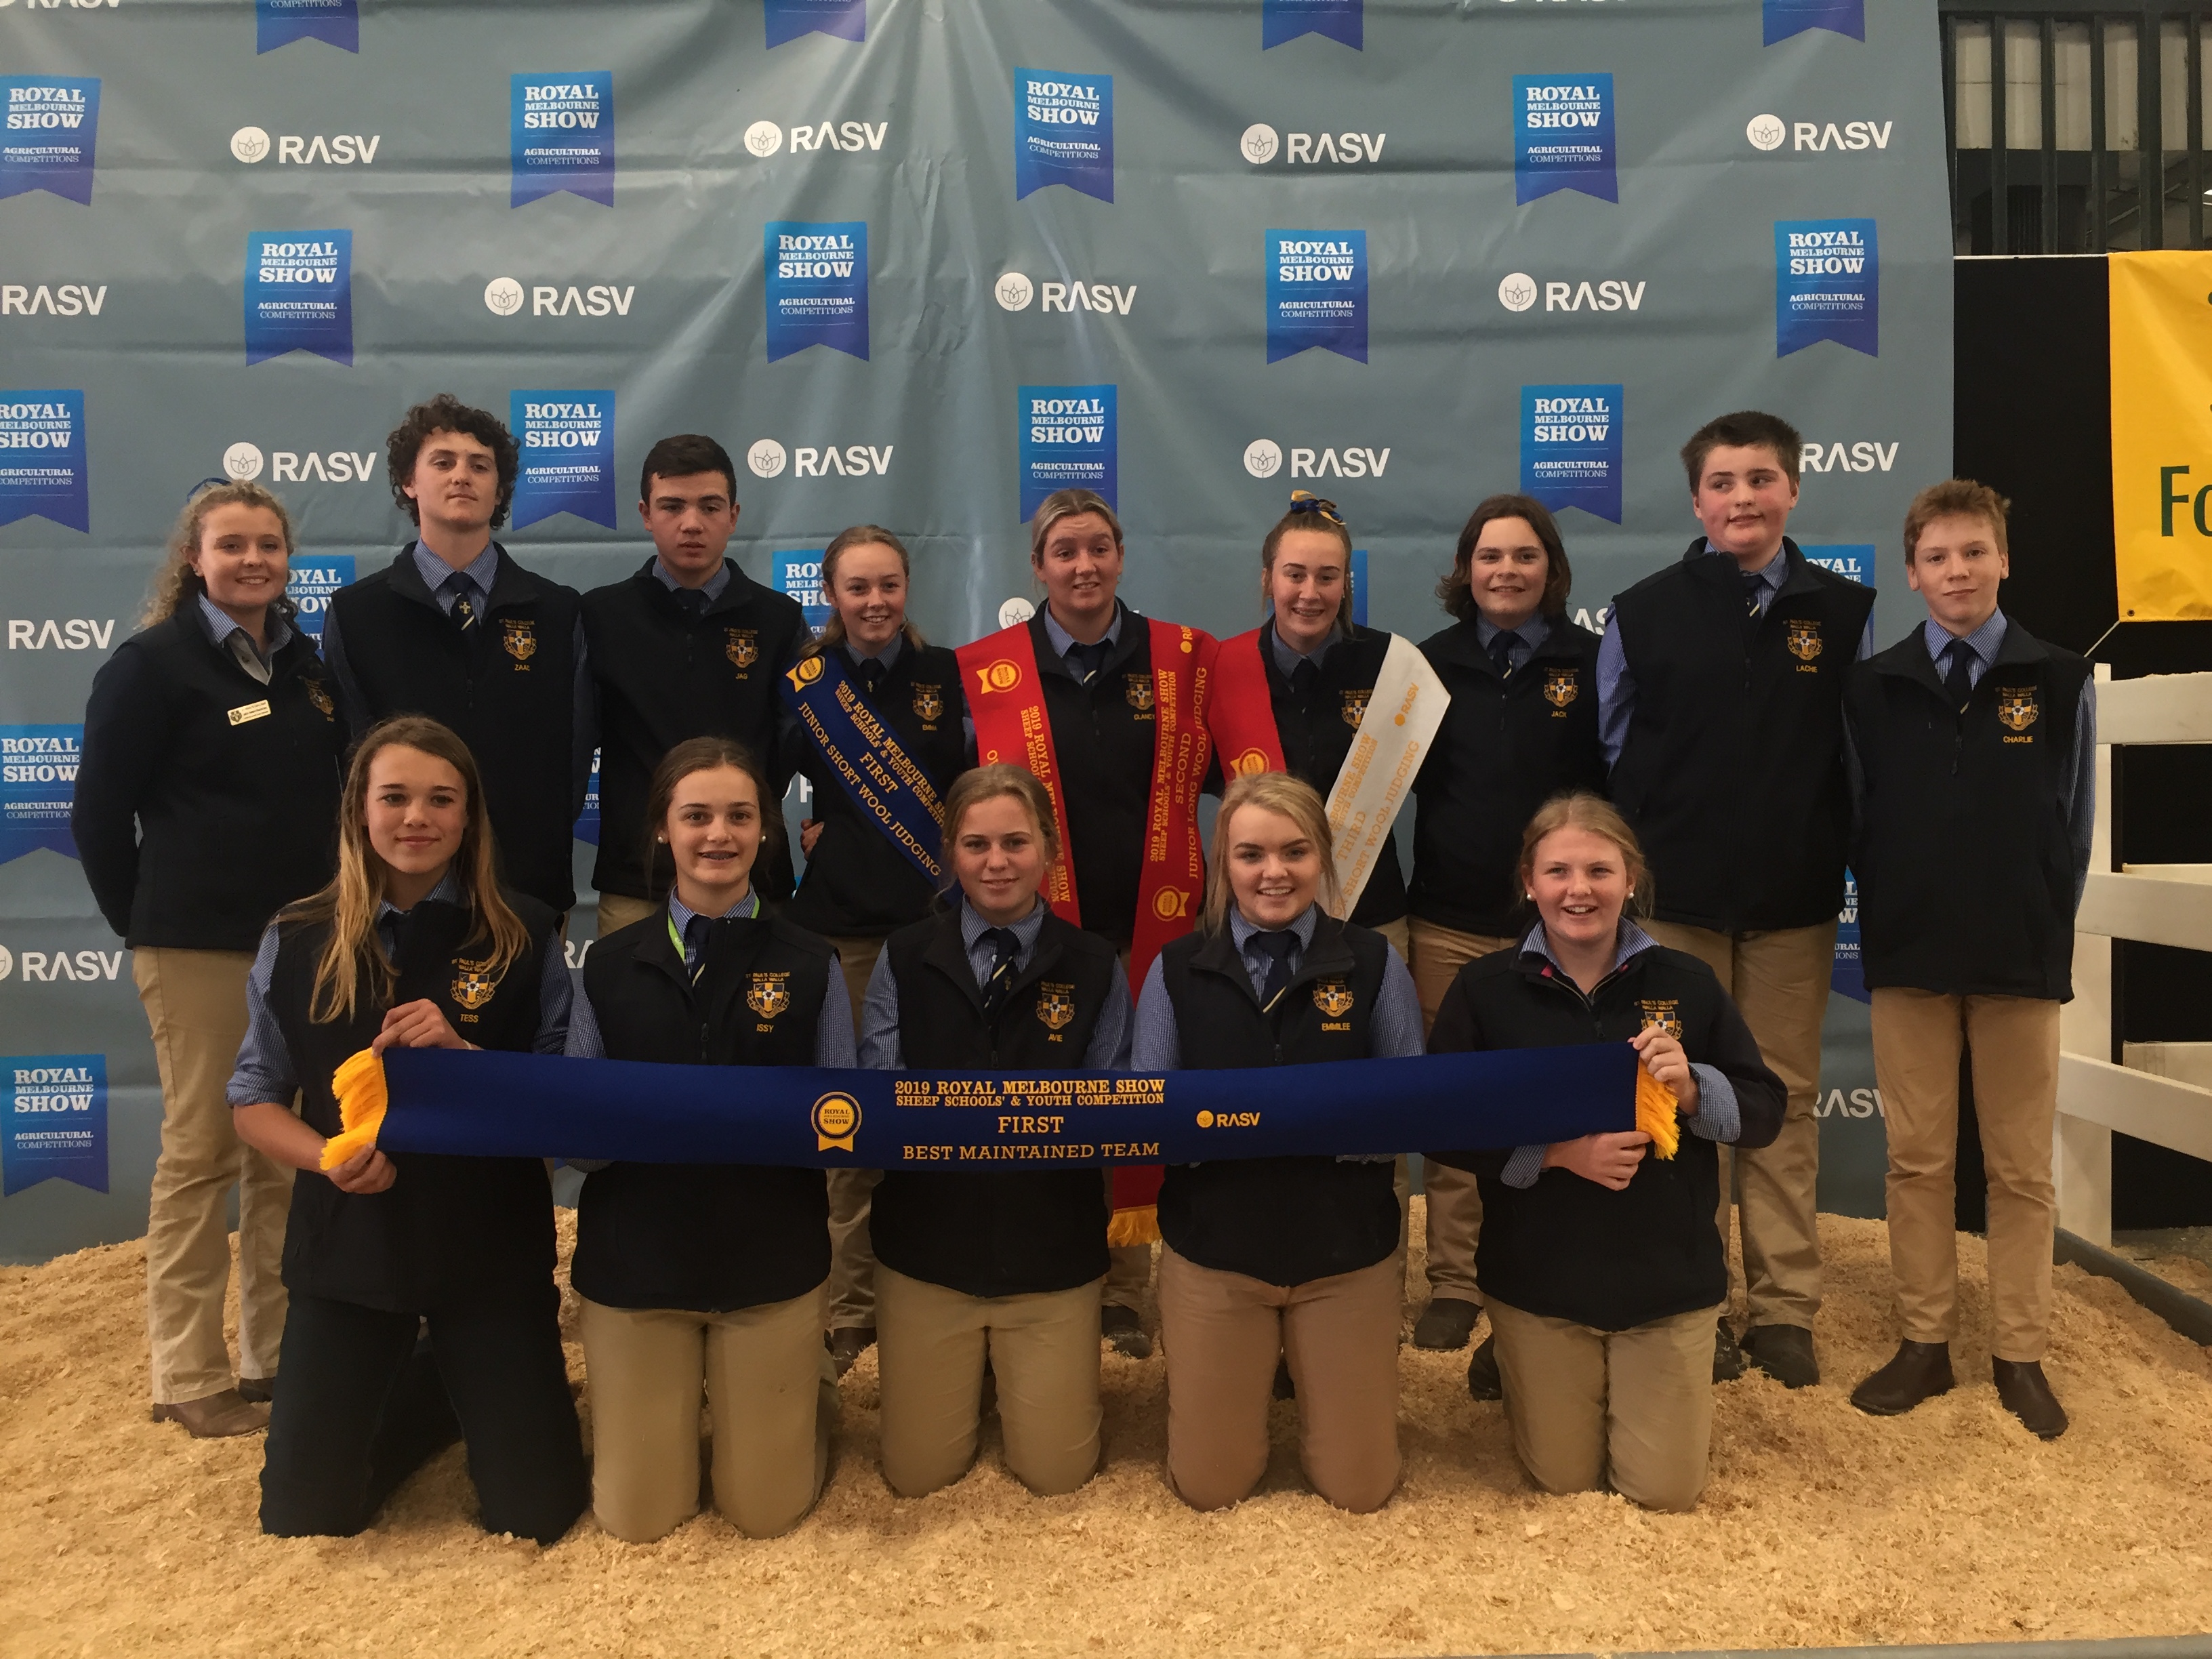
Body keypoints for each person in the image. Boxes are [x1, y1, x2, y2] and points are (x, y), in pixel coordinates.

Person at [227, 716, 587, 1541]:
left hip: (488, 1250)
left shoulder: (526, 934)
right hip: (349, 1248)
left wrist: (466, 1055)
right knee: (304, 1519)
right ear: (360, 809)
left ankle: (463, 1388)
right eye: (394, 797)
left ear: (468, 819)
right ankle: (428, 1391)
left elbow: (563, 1098)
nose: (416, 818)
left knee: (537, 1516)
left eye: (440, 800)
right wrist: (328, 1156)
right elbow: (252, 1098)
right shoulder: (296, 937)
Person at [1599, 409, 1876, 1389]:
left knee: (1785, 1104)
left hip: (1795, 907)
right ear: (1697, 500)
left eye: (1761, 479)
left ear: (1794, 490)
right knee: (1674, 1100)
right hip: (1673, 911)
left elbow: (1859, 758)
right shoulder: (1642, 608)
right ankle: (1694, 1298)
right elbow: (1615, 750)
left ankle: (1785, 1310)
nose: (1743, 498)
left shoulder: (1846, 613)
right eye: (1723, 483)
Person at [73, 479, 345, 1438]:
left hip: (305, 943)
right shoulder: (151, 667)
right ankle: (187, 1371)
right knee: (200, 1154)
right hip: (195, 945)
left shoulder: (311, 670)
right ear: (194, 557)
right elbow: (98, 816)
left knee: (284, 1157)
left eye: (269, 546)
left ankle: (271, 1357)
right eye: (232, 545)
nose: (253, 561)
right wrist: (149, 921)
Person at [1427, 792, 1784, 1511]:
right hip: (1540, 1280)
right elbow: (1441, 1122)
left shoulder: (1688, 982)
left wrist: (1693, 1089)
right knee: (1563, 1480)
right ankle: (1514, 1349)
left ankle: (1614, 1367)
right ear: (1529, 882)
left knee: (1663, 1492)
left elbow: (1766, 1113)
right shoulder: (1486, 990)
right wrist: (1553, 1154)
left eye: (1599, 870)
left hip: (1665, 1285)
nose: (1578, 889)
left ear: (1631, 879)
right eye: (1558, 871)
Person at [1843, 481, 2093, 1440]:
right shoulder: (1874, 686)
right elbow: (1862, 820)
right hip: (1909, 955)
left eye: (1974, 553)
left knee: (2023, 1168)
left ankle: (2020, 1353)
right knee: (1918, 1161)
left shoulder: (2060, 678)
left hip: (2020, 955)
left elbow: (2072, 824)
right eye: (1939, 557)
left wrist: (2037, 919)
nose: (1958, 571)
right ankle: (1924, 1343)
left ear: (2003, 561)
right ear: (1912, 573)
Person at [565, 736, 853, 1542]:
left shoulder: (812, 962)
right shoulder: (609, 965)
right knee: (638, 1520)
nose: (717, 835)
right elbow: (580, 1144)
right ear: (662, 829)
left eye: (739, 816)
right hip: (637, 1271)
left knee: (766, 1513)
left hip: (769, 1266)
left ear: (767, 830)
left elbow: (839, 1133)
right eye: (696, 816)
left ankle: (808, 1384)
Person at [957, 488, 1216, 1359]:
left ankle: (1130, 1290)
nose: (1084, 566)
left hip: (1159, 925)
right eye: (1065, 551)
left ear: (1121, 555)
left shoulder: (1181, 660)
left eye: (1099, 547)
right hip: (1040, 931)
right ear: (1037, 566)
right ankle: (1064, 1269)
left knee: (1145, 1095)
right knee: (1058, 1099)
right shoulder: (988, 669)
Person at [1134, 772, 1425, 1513]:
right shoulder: (1173, 971)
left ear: (1322, 859)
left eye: (1295, 852)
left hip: (1344, 1255)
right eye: (1251, 855)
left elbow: (1412, 1104)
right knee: (1209, 1487)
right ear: (1223, 864)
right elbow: (1148, 1113)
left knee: (1360, 1491)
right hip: (1216, 1256)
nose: (1273, 873)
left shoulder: (1372, 963)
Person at [859, 764, 1130, 1497]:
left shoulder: (1096, 964)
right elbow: (882, 1105)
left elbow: (1112, 1114)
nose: (997, 862)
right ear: (950, 853)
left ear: (1050, 850)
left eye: (1016, 841)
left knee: (1057, 1475)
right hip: (926, 1253)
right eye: (976, 844)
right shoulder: (905, 955)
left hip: (1051, 1256)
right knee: (918, 1476)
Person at [1406, 494, 1607, 1361]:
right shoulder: (1424, 667)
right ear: (1465, 569)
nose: (1506, 571)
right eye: (1490, 557)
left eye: (1525, 557)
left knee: (1557, 1111)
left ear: (1550, 570)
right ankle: (1454, 1280)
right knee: (1457, 1104)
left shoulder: (1593, 662)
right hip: (1446, 918)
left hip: (1560, 931)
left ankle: (1543, 1270)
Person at [784, 525, 973, 1374]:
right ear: (831, 593)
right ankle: (852, 1306)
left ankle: (932, 1286)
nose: (874, 603)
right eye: (857, 588)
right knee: (853, 1133)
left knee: (940, 1120)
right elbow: (755, 779)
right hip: (840, 932)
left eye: (888, 585)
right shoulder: (806, 684)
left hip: (940, 932)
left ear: (907, 589)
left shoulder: (949, 675)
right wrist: (811, 838)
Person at [321, 394, 593, 918]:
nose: (461, 476)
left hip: (526, 889)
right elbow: (352, 760)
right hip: (398, 895)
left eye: (480, 465)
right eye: (442, 462)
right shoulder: (359, 613)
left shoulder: (557, 611)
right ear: (409, 482)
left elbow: (574, 759)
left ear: (500, 490)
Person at [582, 434, 809, 937]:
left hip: (752, 878)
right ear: (645, 513)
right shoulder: (601, 616)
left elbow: (799, 745)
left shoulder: (778, 620)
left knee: (759, 1016)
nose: (691, 523)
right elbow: (575, 744)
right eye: (672, 506)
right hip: (637, 881)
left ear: (733, 515)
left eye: (709, 506)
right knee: (632, 1014)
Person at [1206, 491, 1411, 948]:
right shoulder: (1224, 668)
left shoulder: (1391, 665)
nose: (1310, 594)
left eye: (1327, 577)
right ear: (1267, 579)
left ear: (1346, 584)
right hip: (1256, 914)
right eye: (1294, 575)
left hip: (1370, 913)